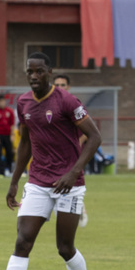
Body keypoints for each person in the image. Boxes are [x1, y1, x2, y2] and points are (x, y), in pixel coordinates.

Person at [0, 52, 101, 270]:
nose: (34, 76)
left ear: (49, 72)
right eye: (30, 72)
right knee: (23, 240)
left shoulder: (66, 101)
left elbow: (95, 137)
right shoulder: (23, 102)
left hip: (68, 185)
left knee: (65, 247)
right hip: (37, 181)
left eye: (39, 71)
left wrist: (73, 172)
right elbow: (25, 141)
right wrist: (14, 180)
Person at [52, 73, 89, 228]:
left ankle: (79, 208)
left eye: (63, 85)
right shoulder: (49, 106)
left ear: (68, 87)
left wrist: (75, 148)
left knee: (71, 184)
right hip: (52, 156)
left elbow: (88, 133)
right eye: (57, 85)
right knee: (52, 183)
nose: (60, 88)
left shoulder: (75, 105)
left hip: (71, 157)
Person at [0, 95, 16, 176]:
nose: (2, 103)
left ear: (5, 101)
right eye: (0, 102)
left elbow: (12, 124)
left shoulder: (10, 111)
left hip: (8, 135)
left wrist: (12, 135)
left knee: (9, 153)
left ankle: (8, 170)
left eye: (3, 101)